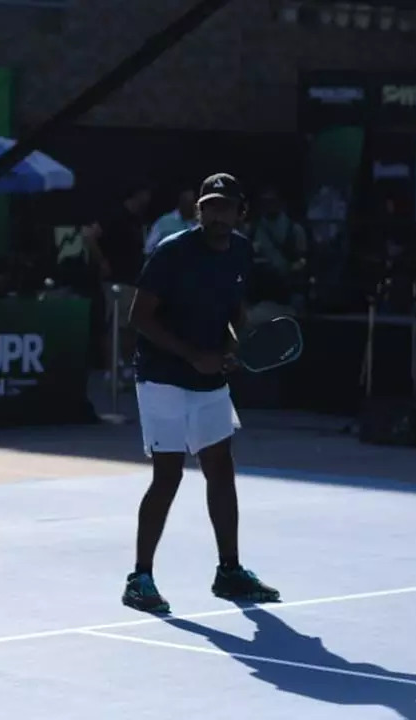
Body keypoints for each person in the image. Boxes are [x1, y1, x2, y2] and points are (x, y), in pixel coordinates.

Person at [121, 172, 281, 614]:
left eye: (226, 207)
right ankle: (140, 578)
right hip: (161, 377)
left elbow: (234, 310)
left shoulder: (242, 252)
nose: (218, 215)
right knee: (168, 475)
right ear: (199, 210)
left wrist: (232, 346)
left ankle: (229, 571)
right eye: (210, 206)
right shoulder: (171, 253)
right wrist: (192, 354)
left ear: (239, 213)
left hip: (209, 379)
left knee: (220, 470)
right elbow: (139, 317)